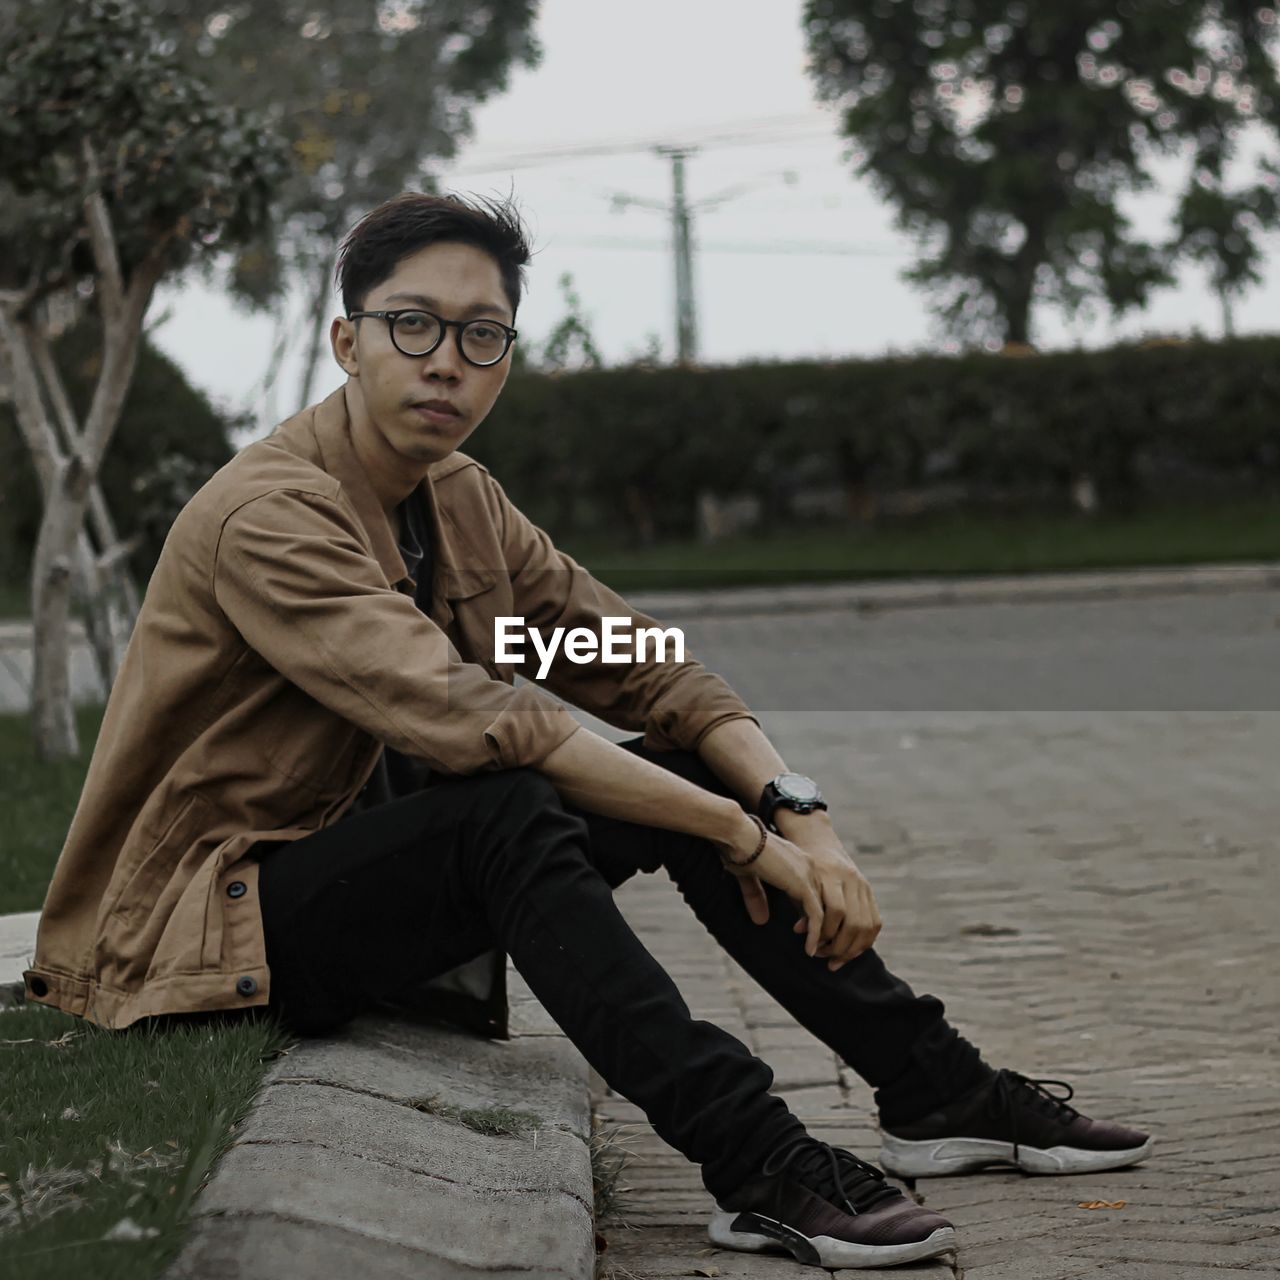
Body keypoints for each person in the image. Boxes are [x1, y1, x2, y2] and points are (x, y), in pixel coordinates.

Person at [24, 191, 1152, 1271]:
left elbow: (644, 665)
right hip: (209, 920)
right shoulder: (271, 515)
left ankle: (932, 1084)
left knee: (669, 766)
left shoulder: (460, 501)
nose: (445, 361)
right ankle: (754, 1159)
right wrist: (748, 837)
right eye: (411, 324)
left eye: (482, 336)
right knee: (512, 809)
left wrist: (798, 811)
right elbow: (489, 721)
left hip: (360, 869)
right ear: (345, 340)